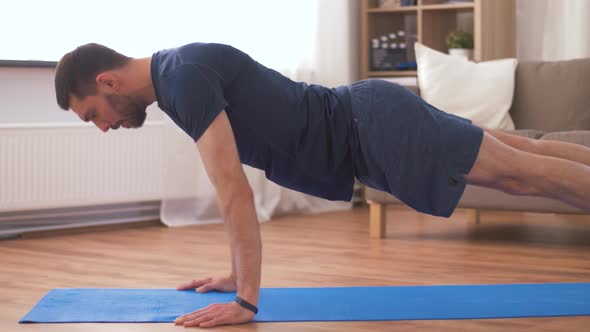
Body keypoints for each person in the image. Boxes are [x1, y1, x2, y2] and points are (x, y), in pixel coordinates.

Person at [54, 42, 590, 327]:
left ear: (108, 82)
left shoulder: (182, 80)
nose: (103, 126)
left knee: (523, 174)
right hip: (371, 116)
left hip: (373, 128)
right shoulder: (177, 75)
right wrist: (234, 272)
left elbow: (233, 191)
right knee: (528, 153)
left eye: (93, 114)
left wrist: (247, 300)